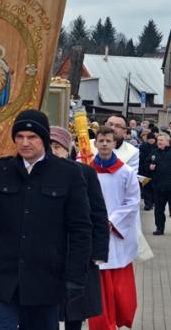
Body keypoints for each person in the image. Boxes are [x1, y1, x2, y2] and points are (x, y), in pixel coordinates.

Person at [0, 110, 92, 330]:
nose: (25, 142)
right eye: (20, 136)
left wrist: (76, 276)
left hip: (45, 281)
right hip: (3, 278)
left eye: (32, 137)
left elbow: (81, 229)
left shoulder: (68, 174)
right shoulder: (1, 170)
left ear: (44, 139)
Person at [51, 126, 109, 330]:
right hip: (49, 252)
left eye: (57, 146)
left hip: (77, 251)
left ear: (68, 149)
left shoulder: (85, 173)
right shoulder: (37, 174)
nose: (53, 151)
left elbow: (99, 215)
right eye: (49, 146)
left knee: (75, 308)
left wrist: (99, 252)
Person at [86, 126, 140, 330]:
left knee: (118, 289)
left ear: (115, 143)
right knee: (99, 285)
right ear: (96, 143)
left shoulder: (125, 172)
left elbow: (132, 202)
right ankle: (101, 323)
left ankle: (118, 317)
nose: (104, 144)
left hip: (115, 234)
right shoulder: (87, 170)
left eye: (108, 141)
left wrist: (112, 221)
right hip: (93, 231)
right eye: (101, 141)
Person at [138, 131, 158, 211]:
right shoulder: (143, 147)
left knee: (154, 188)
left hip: (155, 172)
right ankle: (148, 204)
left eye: (153, 139)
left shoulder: (157, 147)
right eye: (150, 139)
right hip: (145, 171)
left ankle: (153, 202)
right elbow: (141, 159)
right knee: (146, 188)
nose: (151, 140)